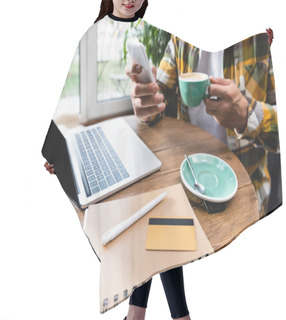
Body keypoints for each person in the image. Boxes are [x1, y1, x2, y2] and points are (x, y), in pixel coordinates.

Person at [45, 1, 191, 319]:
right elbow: (73, 93)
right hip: (108, 146)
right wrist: (54, 151)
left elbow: (190, 66)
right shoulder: (93, 33)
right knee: (153, 224)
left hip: (149, 144)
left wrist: (257, 49)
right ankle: (171, 316)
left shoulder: (153, 34)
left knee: (161, 218)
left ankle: (138, 315)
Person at [126, 31, 280, 218]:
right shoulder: (180, 40)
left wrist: (247, 117)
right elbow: (159, 94)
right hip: (186, 175)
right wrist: (146, 103)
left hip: (247, 189)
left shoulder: (263, 39)